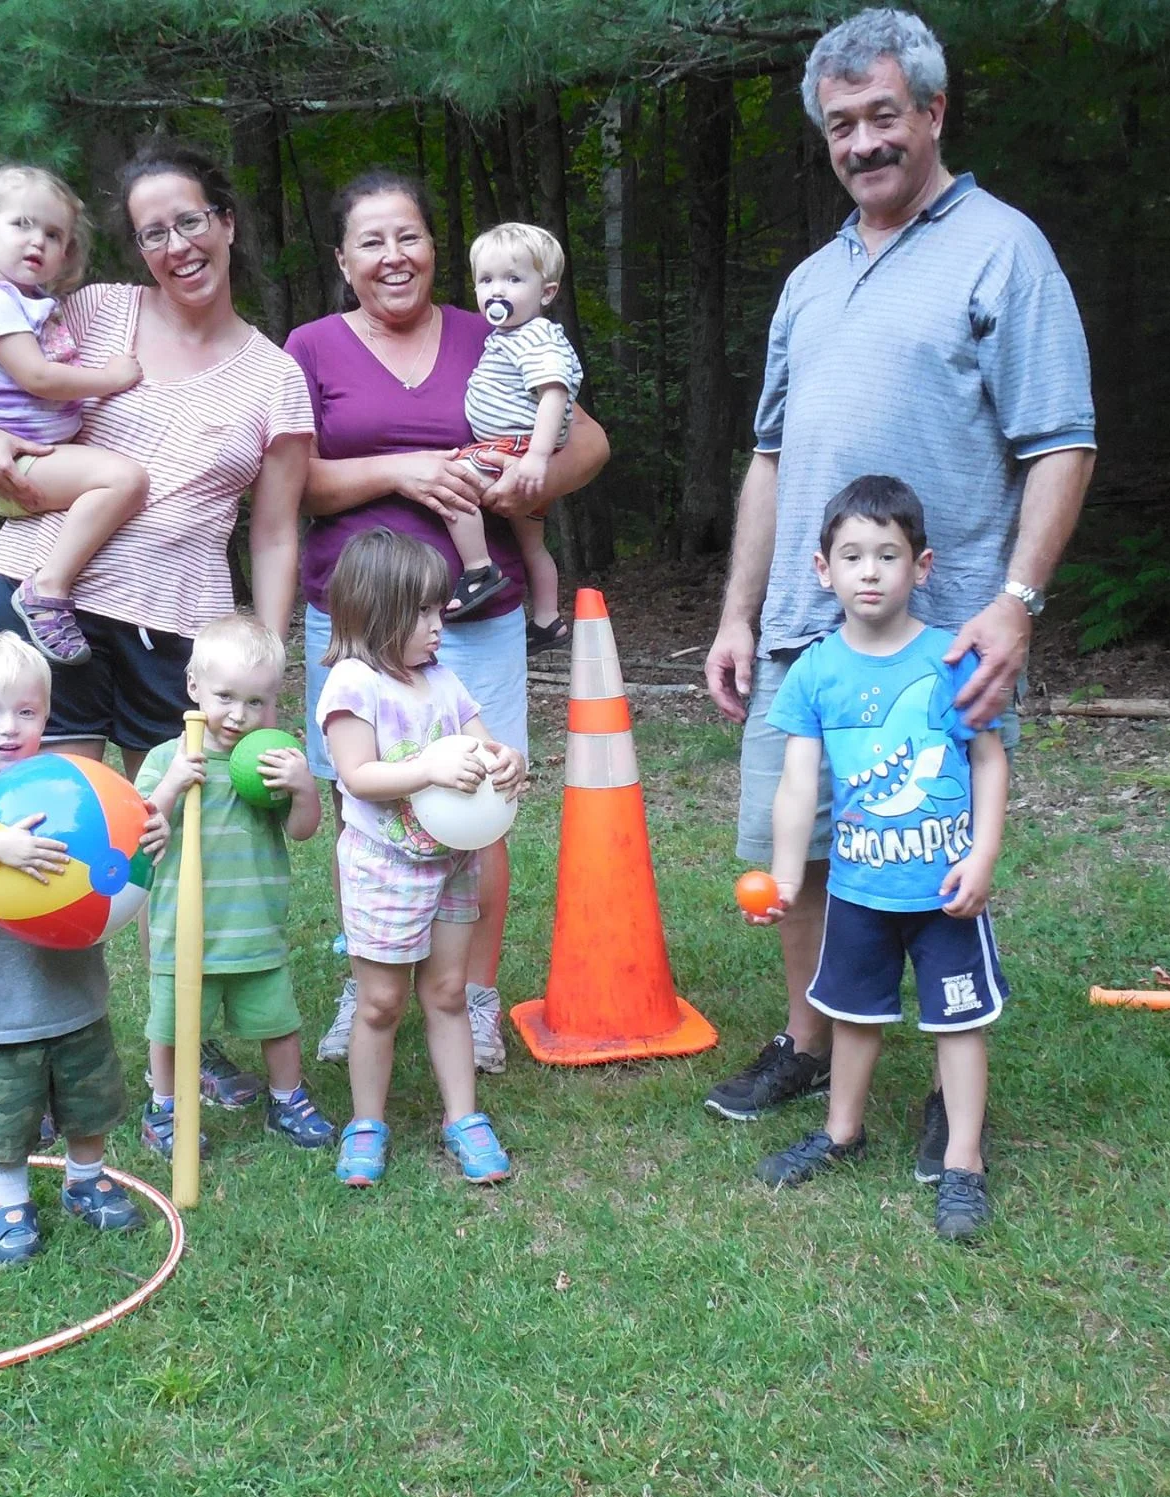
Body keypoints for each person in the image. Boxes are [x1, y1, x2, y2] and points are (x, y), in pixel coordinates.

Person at [702, 8, 1094, 1180]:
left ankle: (944, 1086)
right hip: (802, 635)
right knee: (810, 853)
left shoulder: (1002, 250)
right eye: (839, 125)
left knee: (929, 855)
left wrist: (1016, 600)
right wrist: (737, 610)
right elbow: (770, 457)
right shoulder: (811, 281)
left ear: (931, 112)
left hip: (941, 640)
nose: (862, 142)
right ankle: (811, 1041)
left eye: (882, 115)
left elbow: (1062, 443)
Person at [0, 140, 313, 1111]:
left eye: (190, 220)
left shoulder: (276, 378)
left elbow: (275, 533)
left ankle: (178, 1036)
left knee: (173, 834)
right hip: (42, 593)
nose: (174, 245)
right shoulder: (93, 310)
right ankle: (56, 1045)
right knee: (61, 831)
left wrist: (267, 652)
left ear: (227, 223)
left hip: (179, 629)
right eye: (152, 231)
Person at [284, 170, 610, 1073]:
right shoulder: (309, 347)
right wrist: (403, 470)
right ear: (343, 260)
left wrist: (527, 478)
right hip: (350, 617)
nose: (394, 257)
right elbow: (295, 481)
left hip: (474, 610)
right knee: (367, 800)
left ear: (435, 247)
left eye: (410, 238)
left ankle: (470, 996)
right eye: (372, 242)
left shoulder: (492, 330)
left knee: (482, 799)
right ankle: (373, 983)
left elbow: (587, 443)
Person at [746, 477, 1006, 1241]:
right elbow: (799, 786)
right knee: (852, 1016)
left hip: (944, 890)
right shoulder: (815, 671)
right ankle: (840, 1134)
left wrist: (983, 856)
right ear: (823, 570)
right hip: (858, 890)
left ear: (919, 567)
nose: (870, 571)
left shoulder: (953, 659)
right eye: (852, 556)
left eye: (887, 555)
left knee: (958, 1026)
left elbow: (990, 762)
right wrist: (790, 877)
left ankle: (963, 1163)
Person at [0, 633, 160, 1264]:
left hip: (77, 995)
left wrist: (148, 829)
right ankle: (10, 1203)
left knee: (91, 1102)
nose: (10, 728)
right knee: (5, 1118)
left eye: (27, 712)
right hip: (0, 1006)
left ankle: (86, 1181)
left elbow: (120, 830)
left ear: (45, 717)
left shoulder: (69, 785)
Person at [313, 530, 528, 1188]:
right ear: (377, 610)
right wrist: (427, 766)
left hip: (452, 865)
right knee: (379, 1003)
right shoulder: (354, 684)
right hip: (385, 867)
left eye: (440, 610)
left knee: (446, 993)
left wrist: (506, 764)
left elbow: (484, 744)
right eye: (425, 612)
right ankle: (367, 1122)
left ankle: (463, 1118)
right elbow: (356, 775)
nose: (441, 624)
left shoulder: (443, 680)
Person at [134, 615, 334, 1157]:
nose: (238, 716)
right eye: (225, 697)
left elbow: (302, 831)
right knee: (173, 1028)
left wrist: (303, 790)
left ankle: (286, 1100)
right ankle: (165, 1108)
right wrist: (174, 783)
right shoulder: (164, 759)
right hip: (184, 931)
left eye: (257, 702)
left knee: (279, 1022)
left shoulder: (271, 760)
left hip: (254, 926)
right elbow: (137, 827)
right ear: (194, 686)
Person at [0, 165, 148, 666]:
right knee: (126, 480)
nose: (38, 242)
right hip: (18, 465)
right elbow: (38, 378)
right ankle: (47, 588)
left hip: (36, 457)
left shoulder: (25, 301)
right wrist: (112, 378)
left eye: (54, 235)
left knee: (118, 478)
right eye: (22, 225)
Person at [443, 221, 583, 649]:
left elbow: (554, 393)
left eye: (513, 279)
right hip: (515, 452)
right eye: (486, 280)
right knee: (532, 545)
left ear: (546, 292)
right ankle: (547, 619)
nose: (496, 291)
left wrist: (538, 457)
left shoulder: (534, 336)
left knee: (453, 485)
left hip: (516, 449)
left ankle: (479, 568)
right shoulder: (508, 335)